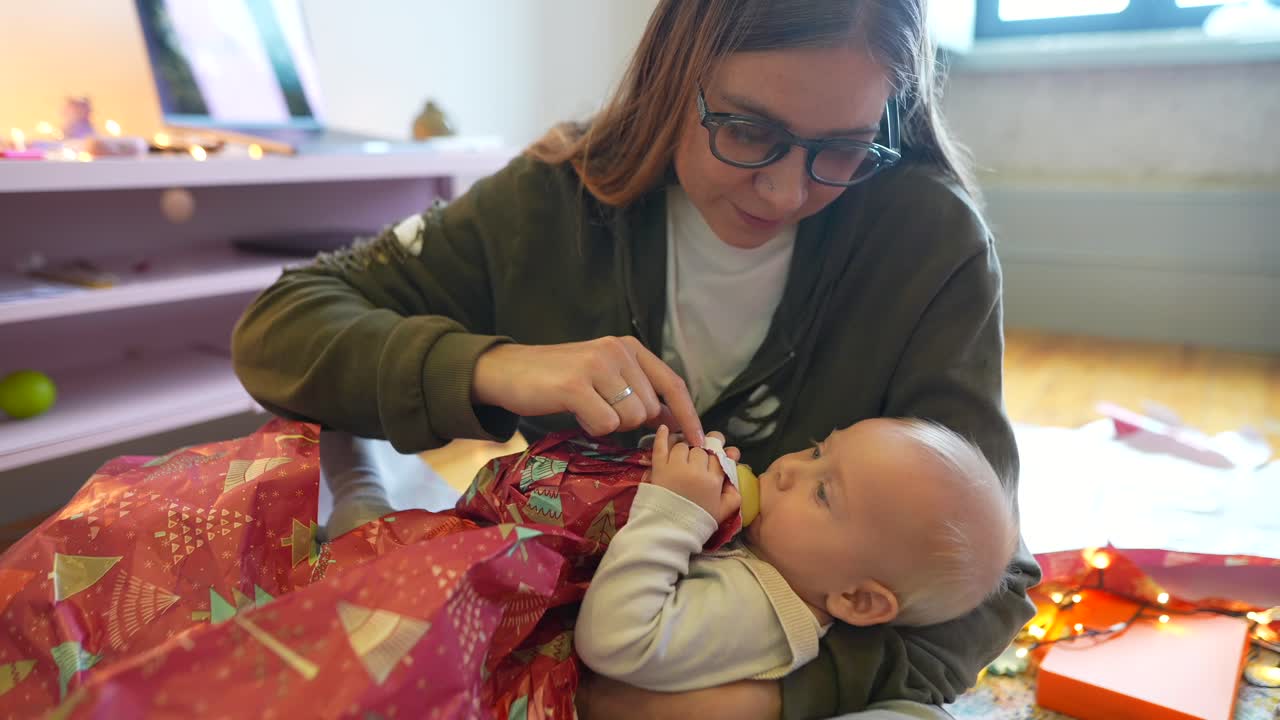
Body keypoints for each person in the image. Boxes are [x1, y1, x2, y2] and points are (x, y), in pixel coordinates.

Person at [231, 0, 1042, 716]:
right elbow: (280, 328)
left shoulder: (927, 243)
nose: (787, 193)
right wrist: (501, 365)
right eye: (750, 131)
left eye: (842, 148)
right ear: (670, 73)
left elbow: (985, 580)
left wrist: (760, 702)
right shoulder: (553, 202)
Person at [576, 420, 1020, 691]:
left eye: (824, 492)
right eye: (816, 451)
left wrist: (674, 514)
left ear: (857, 600)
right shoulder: (774, 557)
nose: (789, 468)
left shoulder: (758, 614)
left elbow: (614, 642)